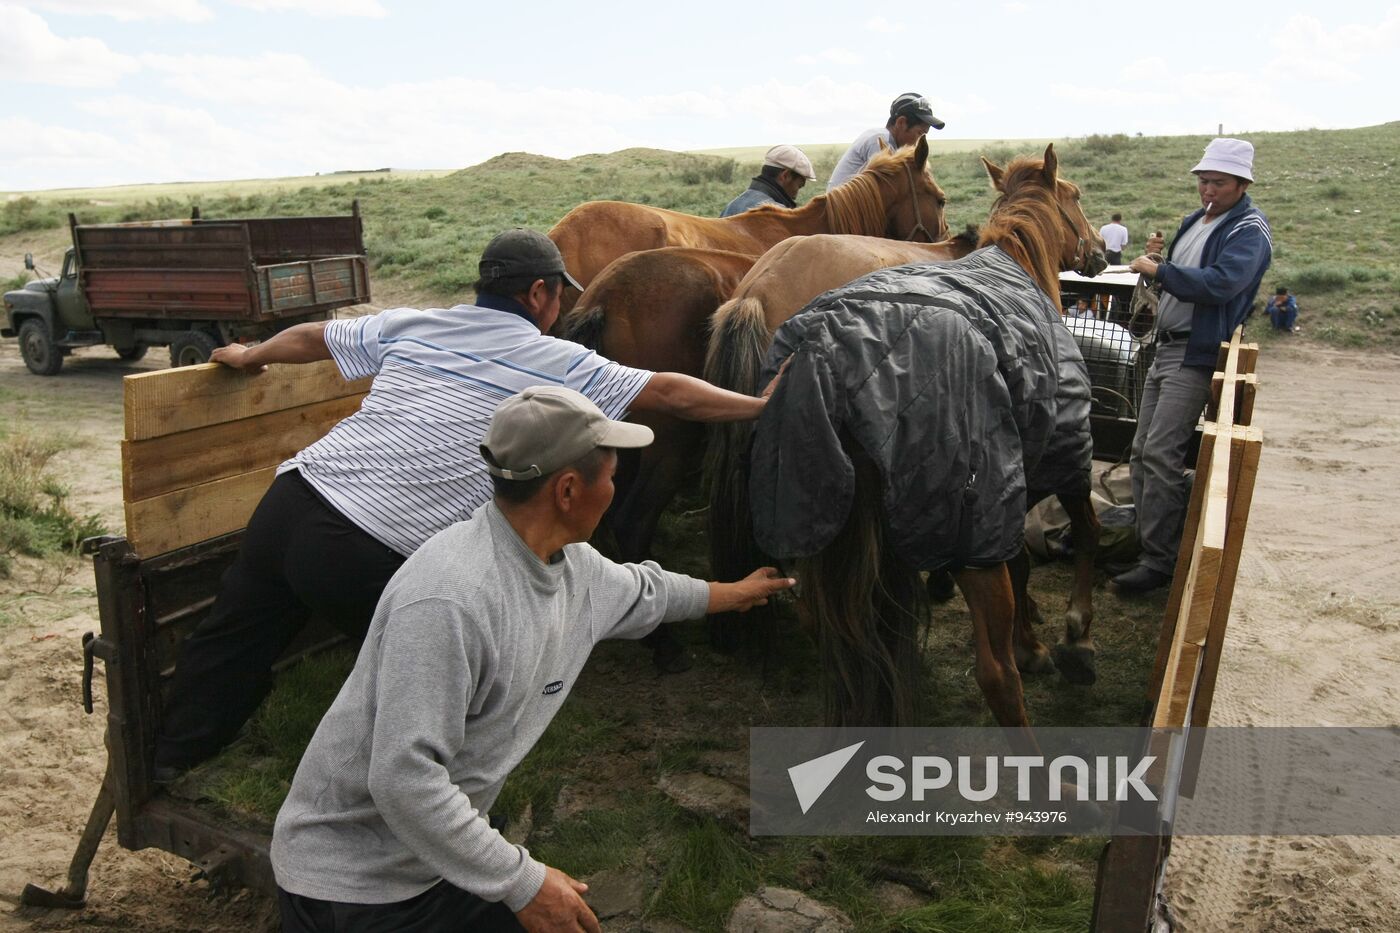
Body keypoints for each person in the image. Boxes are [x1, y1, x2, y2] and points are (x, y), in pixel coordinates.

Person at [152, 229, 778, 780]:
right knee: (434, 683)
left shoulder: (418, 321)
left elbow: (316, 335)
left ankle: (172, 758)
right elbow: (672, 394)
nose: (561, 307)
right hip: (371, 546)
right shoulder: (555, 360)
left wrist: (248, 354)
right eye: (560, 294)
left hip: (293, 498)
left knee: (231, 638)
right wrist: (757, 405)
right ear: (538, 294)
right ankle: (453, 807)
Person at [271, 386, 796, 933]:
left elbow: (647, 591)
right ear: (568, 490)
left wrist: (731, 593)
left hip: (433, 855)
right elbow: (403, 778)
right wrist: (523, 882)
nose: (617, 489)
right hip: (355, 882)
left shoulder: (572, 567)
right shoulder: (452, 598)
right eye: (613, 476)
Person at [1113, 138, 1272, 594]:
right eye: (1203, 180)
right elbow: (1188, 277)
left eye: (1218, 182)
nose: (1208, 190)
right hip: (1167, 347)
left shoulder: (1248, 229)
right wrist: (1161, 265)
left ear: (1242, 183)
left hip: (1195, 353)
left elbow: (1222, 284)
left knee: (1162, 451)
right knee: (1143, 448)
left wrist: (1161, 272)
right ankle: (1144, 544)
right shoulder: (1196, 221)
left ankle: (1159, 562)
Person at [826, 92, 945, 190]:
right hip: (843, 214)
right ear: (901, 123)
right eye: (919, 133)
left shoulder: (887, 141)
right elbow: (887, 189)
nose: (918, 143)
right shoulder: (879, 140)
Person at [720, 144, 816, 217]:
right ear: (785, 176)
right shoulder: (776, 215)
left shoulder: (732, 206)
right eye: (799, 186)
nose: (795, 195)